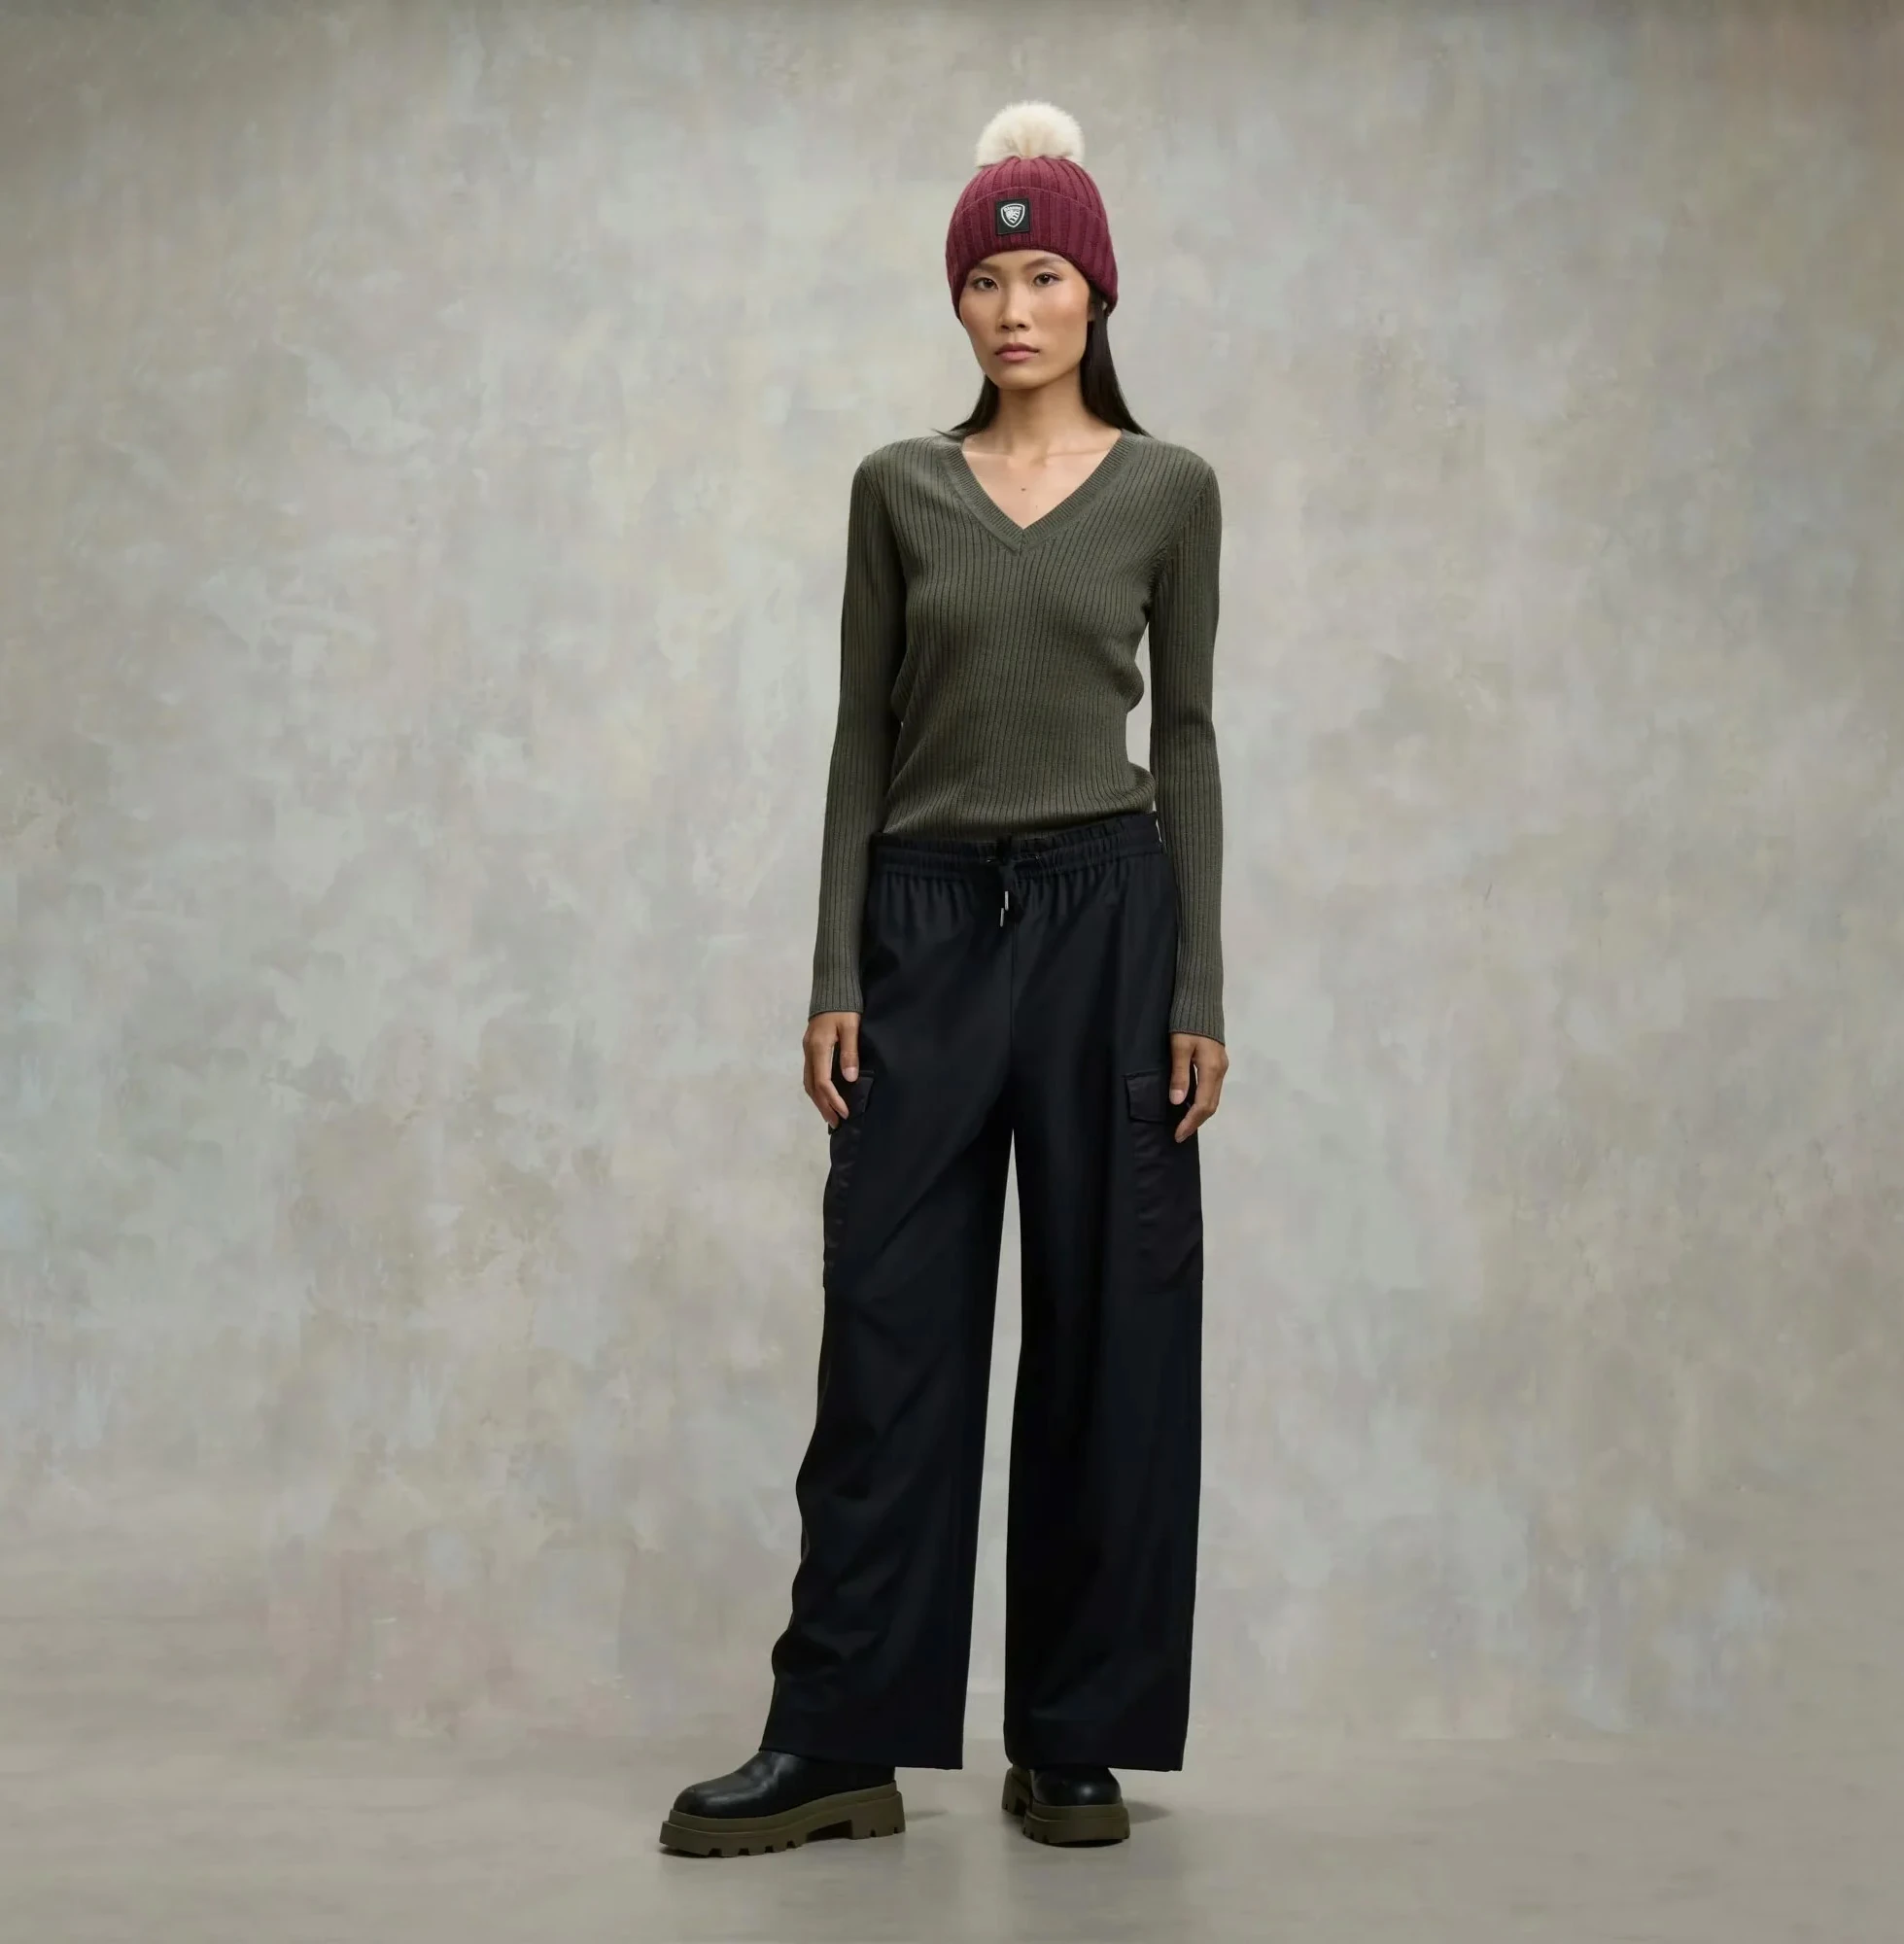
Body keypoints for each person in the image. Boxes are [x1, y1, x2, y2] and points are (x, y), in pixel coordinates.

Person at [660, 98, 1227, 1857]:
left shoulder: (1170, 493)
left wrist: (1200, 989)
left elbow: (1188, 740)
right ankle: (838, 1737)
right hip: (921, 921)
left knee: (1109, 1332)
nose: (1012, 308)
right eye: (985, 278)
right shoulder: (896, 489)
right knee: (890, 1338)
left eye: (1043, 276)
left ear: (1098, 292)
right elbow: (861, 728)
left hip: (1108, 917)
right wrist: (835, 959)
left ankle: (1073, 1736)